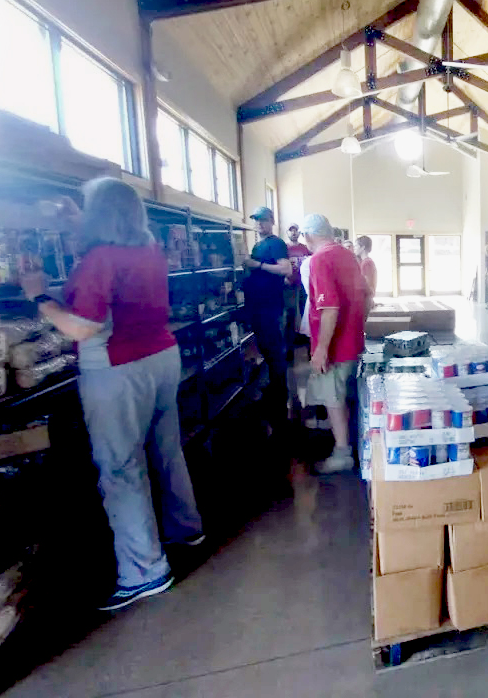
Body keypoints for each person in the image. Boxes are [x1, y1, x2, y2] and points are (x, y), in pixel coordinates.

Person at [20, 178, 203, 611]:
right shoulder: (149, 248)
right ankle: (185, 528)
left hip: (117, 366)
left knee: (120, 467)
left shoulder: (99, 259)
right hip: (161, 356)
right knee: (166, 450)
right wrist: (75, 218)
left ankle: (144, 572)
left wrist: (39, 297)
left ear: (99, 214)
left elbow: (83, 326)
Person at [300, 214, 371, 474]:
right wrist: (357, 327)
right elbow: (367, 296)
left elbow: (329, 308)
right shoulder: (347, 255)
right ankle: (345, 437)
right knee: (344, 394)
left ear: (308, 236)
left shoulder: (319, 259)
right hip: (352, 341)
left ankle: (342, 453)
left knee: (333, 397)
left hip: (335, 346)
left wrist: (321, 349)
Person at [243, 207, 292, 424]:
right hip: (259, 306)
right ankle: (272, 391)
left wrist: (258, 265)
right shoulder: (258, 245)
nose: (259, 224)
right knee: (265, 350)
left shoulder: (276, 243)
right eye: (256, 221)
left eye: (263, 220)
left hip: (270, 307)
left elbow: (285, 270)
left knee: (274, 352)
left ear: (271, 221)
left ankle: (279, 398)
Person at [284, 222, 311, 356]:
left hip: (304, 287)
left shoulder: (305, 248)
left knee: (307, 314)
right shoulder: (284, 248)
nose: (293, 232)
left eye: (296, 230)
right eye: (291, 230)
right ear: (287, 232)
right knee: (290, 315)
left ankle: (309, 348)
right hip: (289, 287)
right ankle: (289, 349)